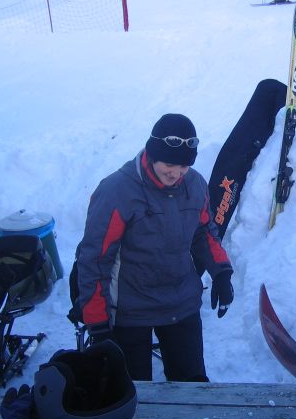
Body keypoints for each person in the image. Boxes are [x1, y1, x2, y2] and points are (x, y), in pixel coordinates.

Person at [74, 114, 234, 382]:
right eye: (169, 164)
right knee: (135, 392)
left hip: (181, 302)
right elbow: (95, 260)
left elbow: (204, 232)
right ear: (151, 154)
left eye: (183, 166)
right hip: (131, 310)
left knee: (192, 387)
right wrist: (98, 324)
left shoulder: (195, 184)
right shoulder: (117, 191)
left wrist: (221, 272)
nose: (176, 173)